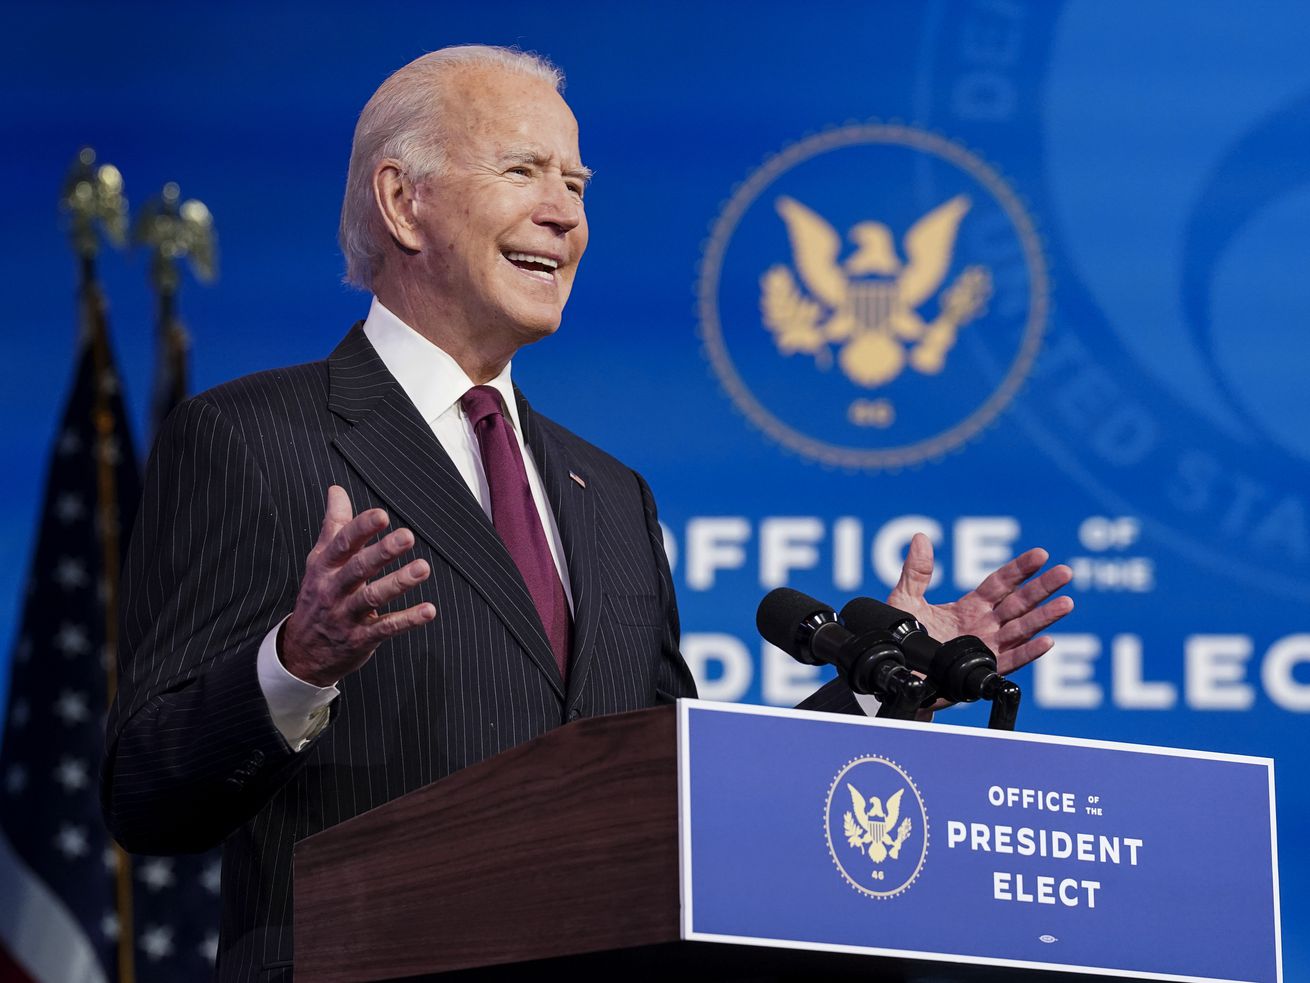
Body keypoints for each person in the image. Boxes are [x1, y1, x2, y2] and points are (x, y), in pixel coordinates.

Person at [101, 45, 1073, 981]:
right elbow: (145, 787)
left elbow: (677, 801)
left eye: (577, 184)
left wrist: (887, 690)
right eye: (525, 170)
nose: (564, 214)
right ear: (403, 201)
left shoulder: (609, 494)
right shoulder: (252, 436)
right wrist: (293, 663)